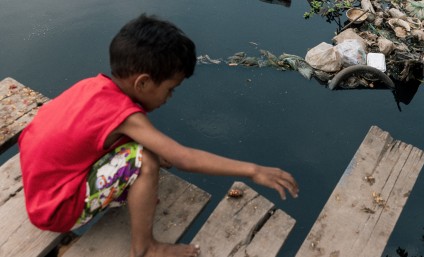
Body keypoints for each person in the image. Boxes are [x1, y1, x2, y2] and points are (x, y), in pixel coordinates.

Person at [18, 13, 299, 257]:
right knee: (145, 160)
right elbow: (184, 157)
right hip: (56, 210)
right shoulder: (126, 116)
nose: (169, 97)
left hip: (42, 186)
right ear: (143, 82)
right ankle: (145, 248)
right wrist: (252, 170)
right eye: (170, 89)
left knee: (145, 149)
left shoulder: (93, 87)